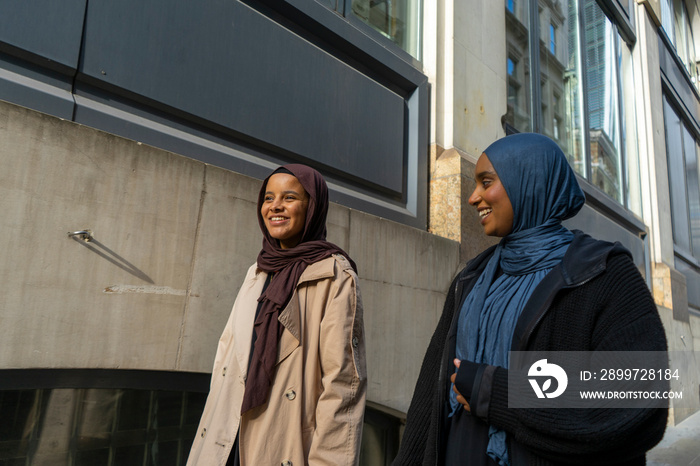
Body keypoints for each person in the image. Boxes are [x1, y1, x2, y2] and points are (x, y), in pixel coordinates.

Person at [391, 133, 668, 465]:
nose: (472, 197)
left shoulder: (604, 273)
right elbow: (428, 399)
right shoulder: (471, 278)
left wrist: (495, 391)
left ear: (528, 181)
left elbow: (637, 400)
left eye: (486, 182)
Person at [187, 164, 366, 466]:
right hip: (226, 437)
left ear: (313, 206)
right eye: (268, 198)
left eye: (290, 197)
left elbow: (342, 384)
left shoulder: (334, 275)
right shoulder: (257, 271)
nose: (275, 206)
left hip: (280, 443)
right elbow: (226, 359)